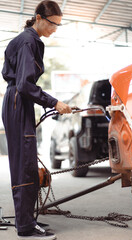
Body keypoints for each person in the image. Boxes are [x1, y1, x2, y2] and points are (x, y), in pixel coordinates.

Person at [1, 1, 72, 239]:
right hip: (18, 101)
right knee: (25, 166)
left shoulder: (26, 40)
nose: (54, 29)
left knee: (26, 163)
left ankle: (27, 221)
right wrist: (54, 102)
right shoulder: (29, 41)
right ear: (39, 17)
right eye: (53, 23)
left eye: (58, 25)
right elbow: (24, 84)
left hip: (18, 101)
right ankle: (26, 226)